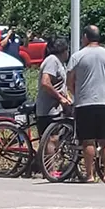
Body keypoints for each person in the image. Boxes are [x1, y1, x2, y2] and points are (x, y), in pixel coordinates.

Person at [66, 25, 105, 182]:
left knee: (88, 140)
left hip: (84, 103)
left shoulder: (78, 56)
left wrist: (76, 93)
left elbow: (69, 81)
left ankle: (90, 175)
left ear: (85, 36)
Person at [33, 37, 71, 179]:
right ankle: (49, 170)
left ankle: (48, 167)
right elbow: (46, 82)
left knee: (56, 138)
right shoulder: (52, 61)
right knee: (51, 139)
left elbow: (59, 85)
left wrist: (66, 98)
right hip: (48, 108)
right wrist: (60, 98)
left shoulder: (59, 63)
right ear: (63, 50)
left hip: (56, 107)